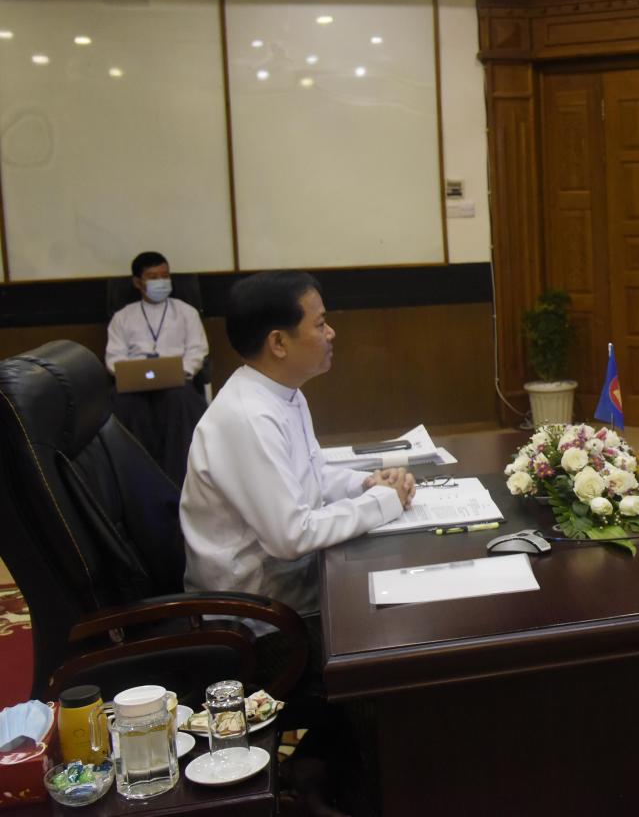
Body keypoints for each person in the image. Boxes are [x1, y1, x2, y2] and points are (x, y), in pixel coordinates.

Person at [179, 271, 416, 817]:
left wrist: (366, 484)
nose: (331, 333)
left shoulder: (280, 394)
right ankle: (356, 794)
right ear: (279, 342)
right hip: (257, 624)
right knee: (385, 660)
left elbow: (310, 477)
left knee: (392, 625)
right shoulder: (245, 417)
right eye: (320, 323)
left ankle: (317, 770)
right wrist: (385, 504)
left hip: (291, 593)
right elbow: (291, 534)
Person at [105, 251, 210, 486]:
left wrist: (181, 373)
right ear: (137, 282)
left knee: (180, 400)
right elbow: (114, 357)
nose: (161, 281)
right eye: (153, 277)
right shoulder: (123, 317)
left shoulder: (186, 312)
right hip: (134, 386)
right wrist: (130, 374)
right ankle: (138, 479)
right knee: (123, 404)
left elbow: (197, 350)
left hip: (177, 382)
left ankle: (180, 480)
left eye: (165, 275)